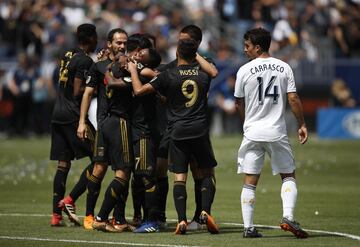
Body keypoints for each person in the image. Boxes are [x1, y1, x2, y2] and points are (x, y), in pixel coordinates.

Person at [128, 38, 219, 235]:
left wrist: (134, 71)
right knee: (206, 174)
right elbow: (213, 72)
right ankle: (204, 213)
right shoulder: (203, 75)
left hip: (178, 131)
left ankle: (181, 220)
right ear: (195, 54)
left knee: (180, 177)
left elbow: (138, 90)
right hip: (200, 130)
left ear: (177, 53)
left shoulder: (169, 75)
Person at [234, 27, 309, 238]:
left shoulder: (244, 70)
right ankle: (288, 216)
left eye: (247, 46)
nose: (245, 49)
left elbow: (238, 103)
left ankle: (248, 227)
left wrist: (245, 124)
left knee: (250, 180)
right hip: (276, 131)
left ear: (258, 47)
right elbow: (293, 99)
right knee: (288, 175)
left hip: (252, 132)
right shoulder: (284, 67)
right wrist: (302, 124)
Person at [58, 28, 128, 230]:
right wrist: (81, 121)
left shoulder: (126, 64)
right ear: (109, 44)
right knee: (107, 168)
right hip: (108, 123)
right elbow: (87, 94)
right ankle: (92, 215)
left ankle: (109, 217)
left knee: (104, 167)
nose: (122, 46)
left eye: (125, 42)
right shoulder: (98, 66)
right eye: (118, 42)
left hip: (116, 123)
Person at [155, 24, 218, 231]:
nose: (180, 42)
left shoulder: (202, 65)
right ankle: (162, 215)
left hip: (187, 125)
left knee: (196, 172)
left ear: (195, 43)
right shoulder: (175, 67)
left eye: (185, 40)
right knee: (169, 169)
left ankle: (197, 217)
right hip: (183, 126)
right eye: (180, 39)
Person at [50, 23, 97, 226]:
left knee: (63, 164)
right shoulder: (85, 60)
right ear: (91, 39)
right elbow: (78, 91)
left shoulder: (68, 54)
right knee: (100, 158)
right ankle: (70, 199)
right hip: (73, 116)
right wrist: (95, 88)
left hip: (57, 113)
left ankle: (55, 215)